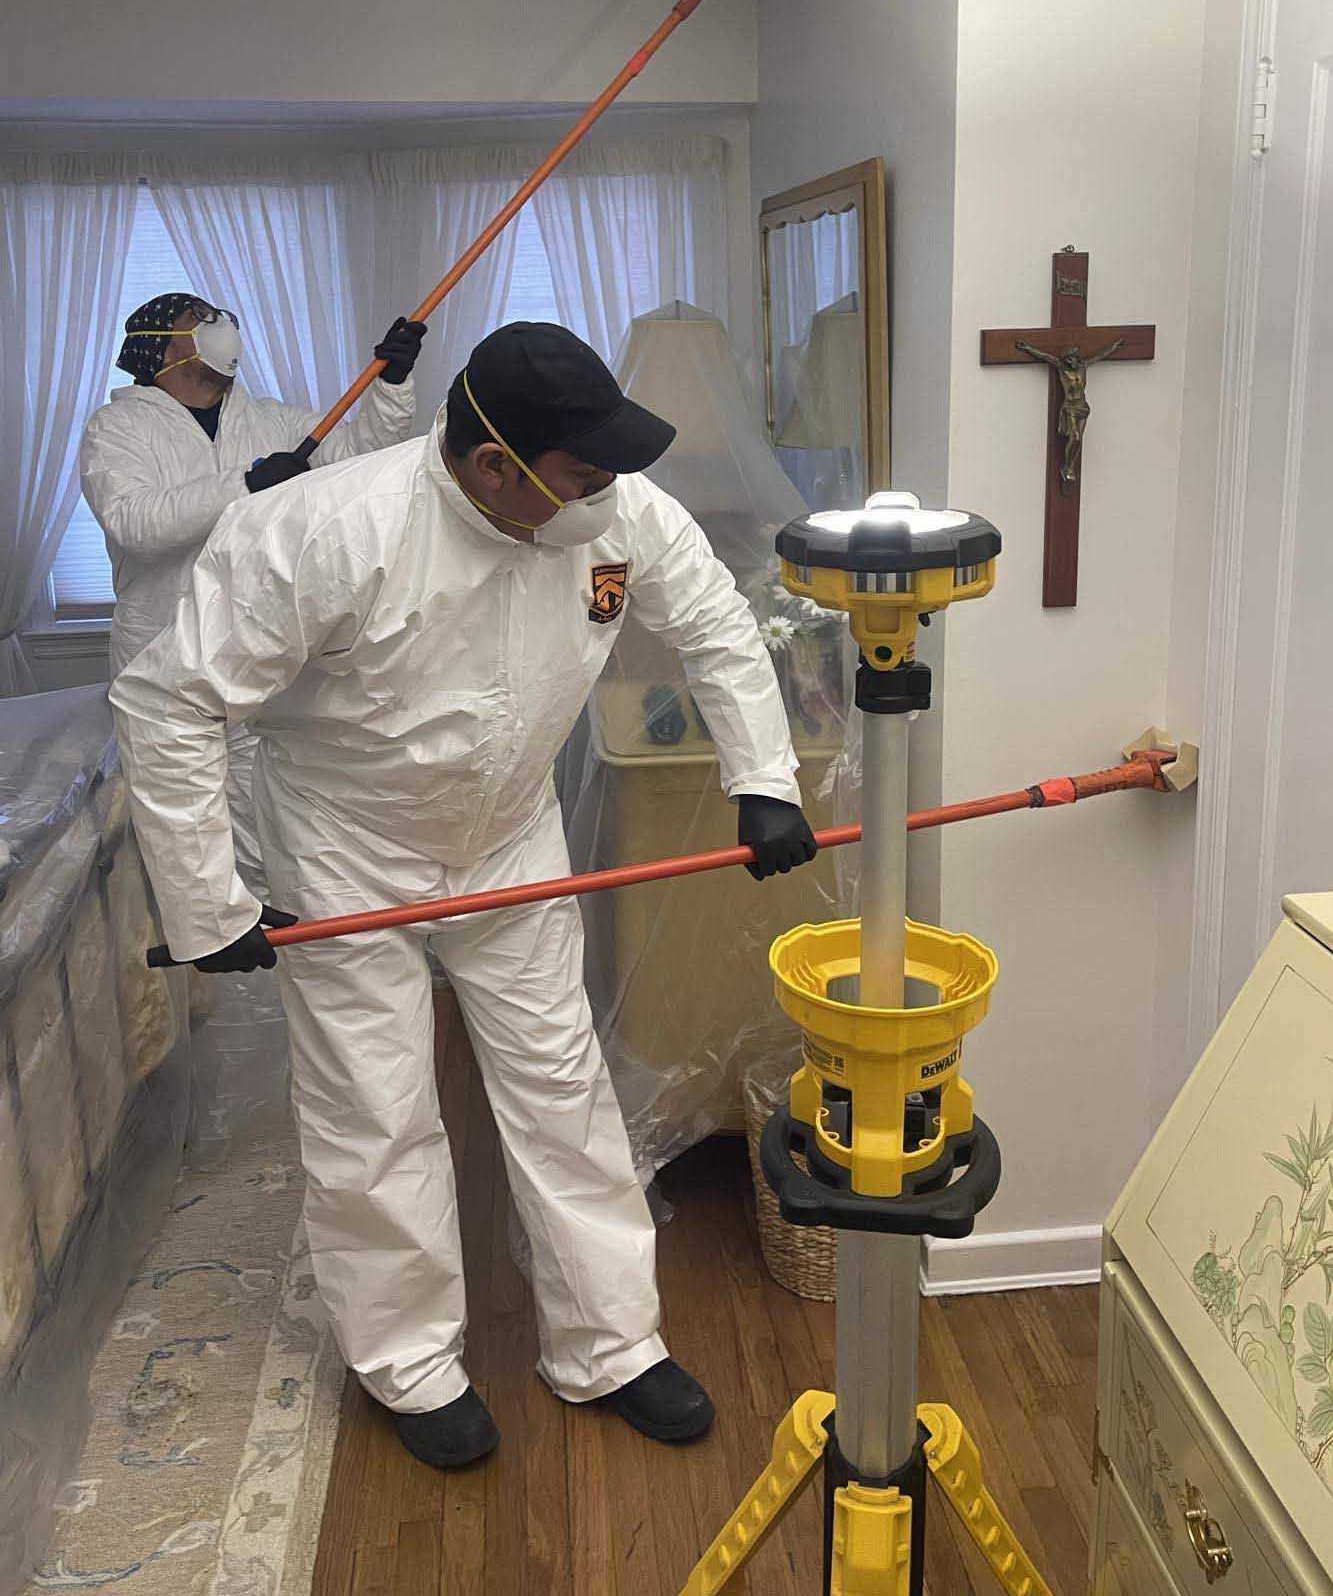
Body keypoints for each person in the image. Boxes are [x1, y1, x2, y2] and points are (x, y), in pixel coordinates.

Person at [111, 321, 817, 1470]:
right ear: (496, 466)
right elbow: (170, 700)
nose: (611, 495)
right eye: (583, 474)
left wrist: (764, 780)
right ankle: (409, 1362)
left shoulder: (611, 513)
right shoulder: (322, 529)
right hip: (347, 849)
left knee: (562, 1088)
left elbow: (719, 623)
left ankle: (612, 1343)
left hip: (507, 838)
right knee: (377, 1112)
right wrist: (209, 903)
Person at [81, 294, 424, 887]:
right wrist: (247, 482)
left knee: (275, 825)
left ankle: (288, 947)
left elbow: (360, 457)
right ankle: (225, 961)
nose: (222, 329)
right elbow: (137, 523)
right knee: (196, 839)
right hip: (168, 656)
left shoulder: (269, 421)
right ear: (160, 347)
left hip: (264, 650)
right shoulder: (117, 429)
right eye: (201, 322)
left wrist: (391, 384)